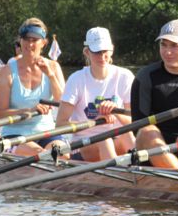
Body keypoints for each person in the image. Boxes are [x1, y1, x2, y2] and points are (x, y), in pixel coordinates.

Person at [131, 20, 178, 170]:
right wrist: (176, 141)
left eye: (174, 45)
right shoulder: (146, 76)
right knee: (146, 131)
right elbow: (137, 127)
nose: (167, 52)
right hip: (156, 149)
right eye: (163, 45)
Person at [55, 27, 135, 161]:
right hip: (84, 145)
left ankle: (141, 170)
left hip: (116, 139)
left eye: (105, 51)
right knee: (105, 140)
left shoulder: (125, 76)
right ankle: (116, 172)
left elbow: (135, 121)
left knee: (129, 135)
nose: (102, 57)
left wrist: (116, 112)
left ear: (112, 49)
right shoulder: (76, 79)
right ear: (87, 52)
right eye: (97, 52)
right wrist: (92, 122)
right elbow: (60, 124)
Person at [0, 19, 65, 156]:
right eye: (26, 39)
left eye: (35, 40)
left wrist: (50, 75)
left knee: (62, 154)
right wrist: (29, 110)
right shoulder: (7, 71)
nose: (30, 44)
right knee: (39, 154)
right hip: (15, 133)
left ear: (43, 43)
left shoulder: (54, 67)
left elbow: (63, 103)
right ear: (20, 41)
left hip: (47, 132)